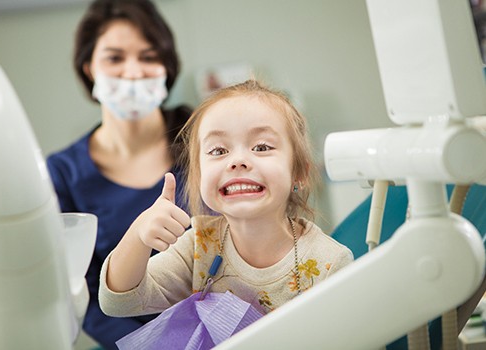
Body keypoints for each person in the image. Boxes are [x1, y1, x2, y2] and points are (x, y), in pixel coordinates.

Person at [98, 80, 354, 333]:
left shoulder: (330, 263)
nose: (238, 161)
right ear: (199, 177)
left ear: (299, 172)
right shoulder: (199, 245)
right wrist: (138, 235)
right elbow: (118, 302)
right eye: (218, 150)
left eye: (261, 147)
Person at [46, 0, 192, 348]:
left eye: (148, 56)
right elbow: (83, 293)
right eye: (114, 58)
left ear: (166, 66)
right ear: (89, 68)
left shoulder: (204, 140)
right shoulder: (63, 174)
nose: (132, 72)